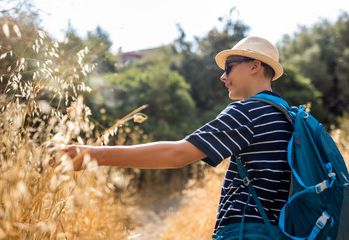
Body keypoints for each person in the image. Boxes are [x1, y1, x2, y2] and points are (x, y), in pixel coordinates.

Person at [65, 36, 293, 239]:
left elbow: (177, 154)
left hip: (247, 231)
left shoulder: (249, 111)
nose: (223, 77)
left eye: (229, 67)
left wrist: (91, 155)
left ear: (255, 66)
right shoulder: (289, 117)